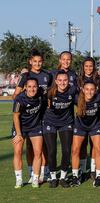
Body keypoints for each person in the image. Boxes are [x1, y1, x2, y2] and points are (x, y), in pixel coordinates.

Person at [13, 49, 52, 184]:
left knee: (42, 147)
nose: (37, 64)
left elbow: (50, 95)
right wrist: (27, 94)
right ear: (30, 62)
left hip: (42, 117)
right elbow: (15, 96)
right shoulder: (26, 76)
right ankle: (31, 173)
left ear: (43, 62)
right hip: (27, 117)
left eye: (40, 61)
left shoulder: (47, 75)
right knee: (29, 148)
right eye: (34, 61)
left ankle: (44, 173)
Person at [43, 70, 77, 188]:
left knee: (66, 150)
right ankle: (53, 178)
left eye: (65, 80)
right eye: (60, 80)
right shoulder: (49, 92)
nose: (63, 83)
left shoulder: (72, 90)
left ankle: (62, 177)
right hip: (50, 123)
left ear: (69, 81)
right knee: (52, 151)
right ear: (56, 81)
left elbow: (81, 101)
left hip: (66, 123)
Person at [12, 78, 44, 188]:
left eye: (34, 86)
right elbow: (16, 116)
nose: (32, 89)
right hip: (20, 127)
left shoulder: (41, 95)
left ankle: (35, 178)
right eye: (29, 86)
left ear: (38, 87)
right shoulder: (19, 99)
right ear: (25, 87)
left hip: (35, 127)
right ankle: (19, 179)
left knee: (38, 152)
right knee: (18, 152)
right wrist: (19, 134)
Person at [71, 81, 100, 187]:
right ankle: (75, 176)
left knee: (98, 149)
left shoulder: (99, 98)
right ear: (83, 90)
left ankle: (98, 176)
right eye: (87, 89)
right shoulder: (77, 99)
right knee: (75, 150)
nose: (89, 92)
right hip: (80, 126)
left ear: (96, 90)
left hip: (95, 126)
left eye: (92, 89)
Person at [77, 57, 100, 181]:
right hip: (82, 117)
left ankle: (93, 170)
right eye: (86, 66)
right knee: (82, 145)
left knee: (95, 145)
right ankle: (82, 170)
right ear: (83, 67)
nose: (88, 68)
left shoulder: (98, 79)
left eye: (91, 66)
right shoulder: (78, 79)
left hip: (95, 117)